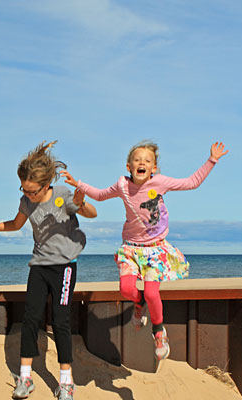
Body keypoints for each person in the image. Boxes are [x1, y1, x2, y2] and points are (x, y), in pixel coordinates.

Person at [63, 140, 228, 361]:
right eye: (137, 160)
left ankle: (159, 332)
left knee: (152, 292)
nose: (142, 163)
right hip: (131, 248)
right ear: (128, 166)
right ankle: (138, 303)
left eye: (147, 161)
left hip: (155, 250)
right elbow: (101, 195)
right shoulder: (122, 185)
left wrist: (212, 160)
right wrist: (79, 184)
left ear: (154, 168)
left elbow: (192, 182)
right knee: (126, 289)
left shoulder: (160, 182)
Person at [0, 141, 96, 400]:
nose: (28, 194)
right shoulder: (26, 200)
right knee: (30, 318)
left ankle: (66, 382)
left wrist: (81, 201)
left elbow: (91, 213)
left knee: (61, 322)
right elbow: (16, 224)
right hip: (39, 266)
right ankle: (25, 378)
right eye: (24, 190)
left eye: (32, 191)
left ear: (45, 184)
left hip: (64, 267)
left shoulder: (62, 194)